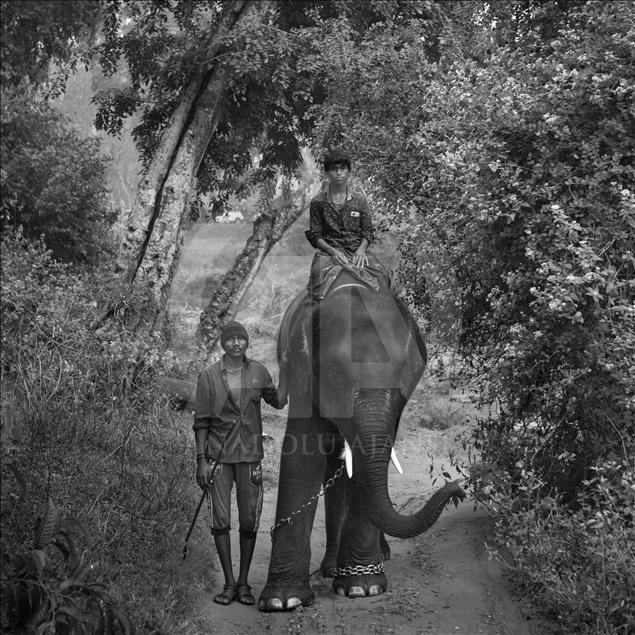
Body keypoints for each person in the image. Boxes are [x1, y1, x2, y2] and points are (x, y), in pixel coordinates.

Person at [193, 320, 287, 606]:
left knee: (249, 520)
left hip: (250, 457)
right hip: (219, 459)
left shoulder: (258, 371)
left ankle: (244, 582)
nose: (236, 343)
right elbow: (201, 423)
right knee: (220, 521)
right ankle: (229, 583)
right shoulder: (209, 376)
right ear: (223, 343)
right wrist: (201, 461)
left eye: (241, 338)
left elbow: (279, 401)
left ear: (247, 342)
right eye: (231, 339)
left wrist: (291, 369)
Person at [305, 149, 389, 301]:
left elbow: (368, 231)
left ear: (349, 172)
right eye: (334, 169)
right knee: (315, 288)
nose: (339, 173)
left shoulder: (360, 200)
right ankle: (312, 321)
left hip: (357, 252)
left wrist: (362, 250)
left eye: (343, 169)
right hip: (329, 254)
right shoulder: (317, 202)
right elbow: (315, 235)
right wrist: (332, 251)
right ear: (327, 173)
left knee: (383, 276)